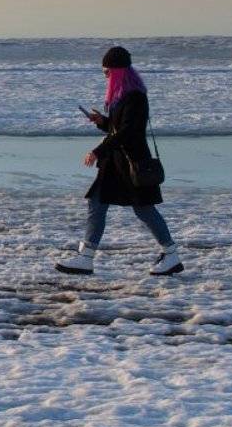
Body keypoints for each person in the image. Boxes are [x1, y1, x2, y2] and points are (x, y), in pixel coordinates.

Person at [55, 46, 184, 277]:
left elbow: (128, 133)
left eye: (107, 72)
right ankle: (85, 258)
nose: (105, 76)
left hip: (132, 163)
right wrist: (102, 121)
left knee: (143, 209)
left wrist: (97, 150)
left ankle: (171, 254)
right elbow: (119, 128)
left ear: (118, 71)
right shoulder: (124, 95)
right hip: (117, 163)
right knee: (97, 203)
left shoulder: (135, 96)